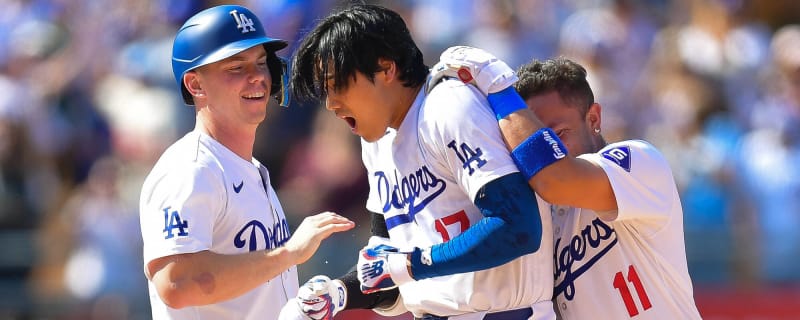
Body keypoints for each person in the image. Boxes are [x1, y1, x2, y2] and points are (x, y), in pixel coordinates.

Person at [279, 4, 555, 320]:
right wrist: (338, 294)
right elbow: (387, 271)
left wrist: (412, 264)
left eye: (336, 84)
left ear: (386, 69)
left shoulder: (447, 105)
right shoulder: (377, 143)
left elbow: (519, 227)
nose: (330, 104)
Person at [430, 47, 703, 319]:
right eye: (535, 140)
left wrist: (497, 85)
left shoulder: (639, 162)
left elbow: (557, 179)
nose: (549, 149)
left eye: (558, 134)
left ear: (593, 118)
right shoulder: (537, 214)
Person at [138, 5, 354, 319]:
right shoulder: (192, 169)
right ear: (195, 84)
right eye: (236, 67)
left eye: (262, 63)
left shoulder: (247, 167)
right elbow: (176, 284)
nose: (257, 77)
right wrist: (287, 254)